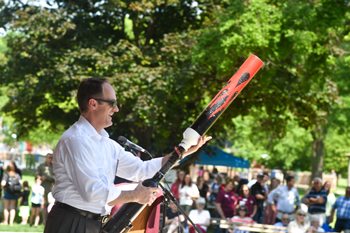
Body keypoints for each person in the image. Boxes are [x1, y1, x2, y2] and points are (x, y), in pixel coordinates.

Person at [44, 78, 211, 233]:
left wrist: (183, 151)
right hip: (73, 222)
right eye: (112, 103)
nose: (116, 109)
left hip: (93, 223)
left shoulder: (106, 143)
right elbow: (93, 193)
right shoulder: (76, 140)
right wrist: (134, 195)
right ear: (93, 104)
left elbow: (143, 169)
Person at [36, 153, 55, 224]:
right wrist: (40, 177)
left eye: (52, 157)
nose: (50, 159)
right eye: (49, 157)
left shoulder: (54, 166)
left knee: (52, 205)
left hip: (52, 188)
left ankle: (51, 221)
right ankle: (44, 220)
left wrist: (47, 177)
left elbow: (56, 177)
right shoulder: (41, 166)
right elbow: (37, 175)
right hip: (44, 188)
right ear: (46, 158)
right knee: (44, 205)